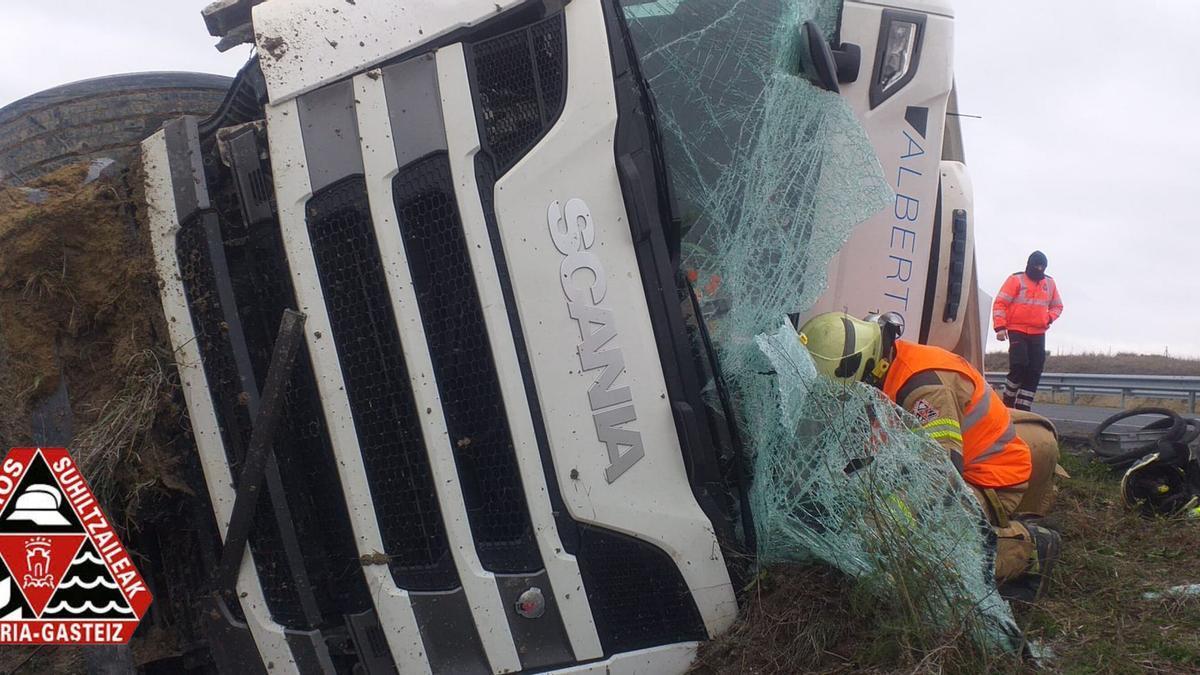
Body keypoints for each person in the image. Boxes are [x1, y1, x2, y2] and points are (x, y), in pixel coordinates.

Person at [797, 311, 1063, 601]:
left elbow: (941, 477)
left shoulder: (925, 389)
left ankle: (1030, 549)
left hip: (991, 480)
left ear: (866, 366)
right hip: (948, 471)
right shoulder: (886, 371)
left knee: (924, 550)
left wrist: (883, 527)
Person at [993, 251, 1063, 411]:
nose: (1039, 269)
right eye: (1037, 266)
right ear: (1029, 265)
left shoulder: (1050, 283)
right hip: (1016, 329)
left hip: (1038, 332)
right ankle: (1008, 401)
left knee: (1035, 369)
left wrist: (1048, 318)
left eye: (1042, 266)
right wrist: (1000, 327)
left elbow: (1058, 306)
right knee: (1019, 365)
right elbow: (1000, 303)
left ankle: (1023, 408)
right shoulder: (1015, 279)